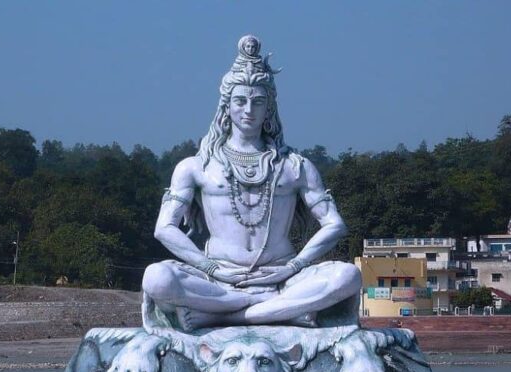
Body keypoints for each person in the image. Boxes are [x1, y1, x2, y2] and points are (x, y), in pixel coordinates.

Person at [141, 35, 361, 333]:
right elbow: (164, 228)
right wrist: (210, 268)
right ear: (226, 106)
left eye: (258, 102)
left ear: (269, 107)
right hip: (217, 279)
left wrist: (294, 267)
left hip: (281, 278)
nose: (248, 110)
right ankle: (278, 312)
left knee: (348, 276)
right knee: (156, 278)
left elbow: (334, 225)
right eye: (240, 101)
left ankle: (226, 316)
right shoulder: (196, 166)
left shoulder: (295, 166)